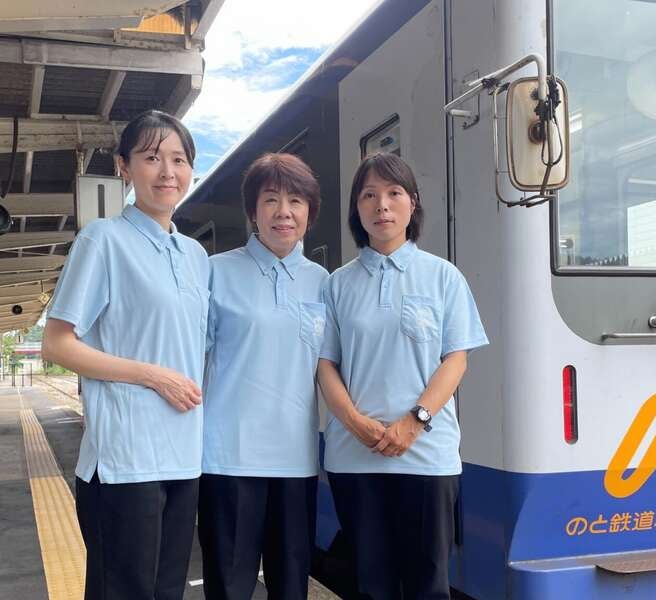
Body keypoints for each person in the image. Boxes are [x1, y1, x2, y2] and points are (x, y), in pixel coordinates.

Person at [42, 110, 209, 600]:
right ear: (124, 167)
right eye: (152, 157)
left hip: (183, 456)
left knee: (167, 592)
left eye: (179, 159)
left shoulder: (195, 256)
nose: (167, 171)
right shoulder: (104, 239)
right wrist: (152, 375)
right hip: (125, 460)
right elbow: (58, 343)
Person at [318, 152, 489, 599]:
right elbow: (325, 365)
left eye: (394, 193)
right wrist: (355, 424)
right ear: (357, 209)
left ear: (413, 204)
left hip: (427, 455)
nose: (382, 205)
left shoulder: (443, 278)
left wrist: (415, 421)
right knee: (370, 582)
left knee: (427, 584)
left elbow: (456, 360)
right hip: (354, 456)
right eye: (369, 195)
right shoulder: (337, 284)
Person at [198, 153, 328, 600]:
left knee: (291, 588)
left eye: (295, 200)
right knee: (229, 589)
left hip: (297, 461)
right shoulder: (215, 272)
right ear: (253, 211)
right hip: (228, 459)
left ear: (310, 212)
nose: (283, 212)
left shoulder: (323, 283)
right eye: (270, 200)